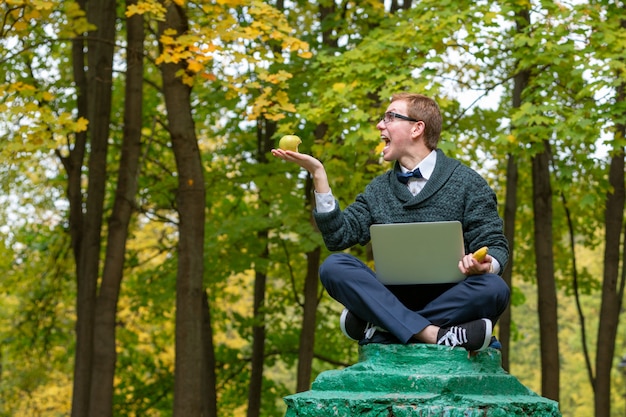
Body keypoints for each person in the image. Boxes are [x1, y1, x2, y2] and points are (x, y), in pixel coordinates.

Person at [271, 93, 510, 352]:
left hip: (452, 296)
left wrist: (486, 263)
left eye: (390, 117)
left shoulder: (468, 182)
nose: (379, 125)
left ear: (417, 128)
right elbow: (338, 237)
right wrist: (319, 174)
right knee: (334, 267)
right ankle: (436, 334)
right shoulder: (378, 189)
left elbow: (495, 243)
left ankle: (382, 327)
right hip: (392, 296)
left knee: (494, 288)